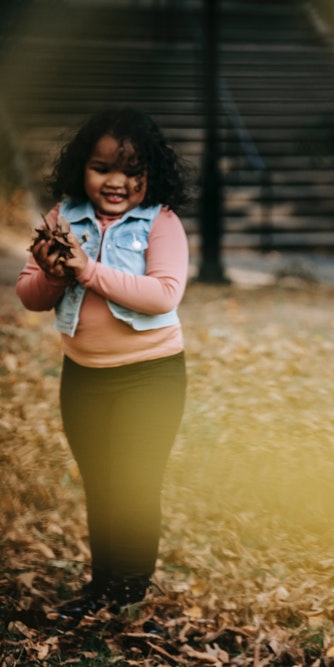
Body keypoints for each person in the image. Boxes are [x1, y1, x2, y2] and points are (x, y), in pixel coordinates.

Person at [16, 108, 190, 613]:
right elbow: (30, 295)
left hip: (151, 375)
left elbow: (163, 295)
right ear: (81, 169)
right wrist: (55, 273)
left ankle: (130, 593)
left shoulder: (161, 222)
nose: (116, 181)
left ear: (151, 173)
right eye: (101, 167)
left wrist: (87, 270)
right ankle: (102, 587)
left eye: (132, 170)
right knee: (100, 481)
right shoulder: (61, 218)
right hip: (84, 377)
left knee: (134, 482)